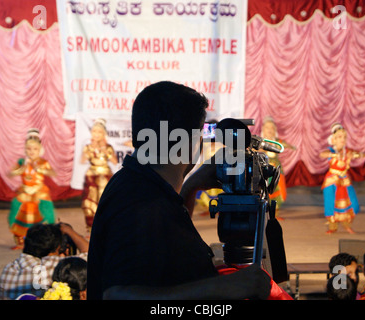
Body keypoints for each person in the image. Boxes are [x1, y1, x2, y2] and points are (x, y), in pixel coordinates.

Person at [87, 81, 287, 300]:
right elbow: (117, 296)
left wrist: (192, 185)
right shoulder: (141, 203)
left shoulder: (138, 184)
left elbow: (164, 242)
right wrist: (222, 287)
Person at [0, 222, 88, 300]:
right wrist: (69, 230)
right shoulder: (52, 265)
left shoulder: (9, 269)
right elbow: (90, 253)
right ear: (57, 248)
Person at [8, 128, 56, 249]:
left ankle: (47, 237)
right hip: (25, 189)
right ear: (25, 149)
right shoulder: (22, 161)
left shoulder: (42, 162)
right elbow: (10, 173)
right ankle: (21, 241)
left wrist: (41, 169)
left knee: (45, 208)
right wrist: (20, 169)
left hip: (39, 190)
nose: (32, 151)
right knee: (16, 206)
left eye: (35, 149)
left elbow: (53, 173)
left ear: (39, 150)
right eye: (29, 149)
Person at [319, 123, 365, 234]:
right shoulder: (331, 150)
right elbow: (323, 154)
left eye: (344, 137)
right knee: (330, 203)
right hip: (332, 180)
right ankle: (332, 226)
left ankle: (347, 225)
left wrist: (356, 155)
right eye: (339, 137)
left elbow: (362, 154)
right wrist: (334, 155)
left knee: (352, 202)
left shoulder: (348, 151)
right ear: (334, 139)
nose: (342, 139)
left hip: (344, 179)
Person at [80, 118, 118, 233]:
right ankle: (91, 227)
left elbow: (115, 161)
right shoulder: (89, 147)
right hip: (92, 175)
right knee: (90, 201)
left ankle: (106, 226)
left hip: (105, 174)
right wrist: (91, 149)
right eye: (94, 132)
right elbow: (82, 161)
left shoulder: (108, 147)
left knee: (104, 199)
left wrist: (104, 150)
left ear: (103, 134)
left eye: (99, 132)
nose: (96, 134)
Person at [260, 117, 296, 220]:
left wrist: (290, 146)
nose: (270, 130)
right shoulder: (261, 141)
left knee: (278, 190)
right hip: (265, 170)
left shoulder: (277, 142)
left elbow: (285, 145)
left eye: (272, 127)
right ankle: (264, 212)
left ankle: (275, 213)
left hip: (276, 170)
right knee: (265, 190)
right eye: (267, 127)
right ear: (263, 129)